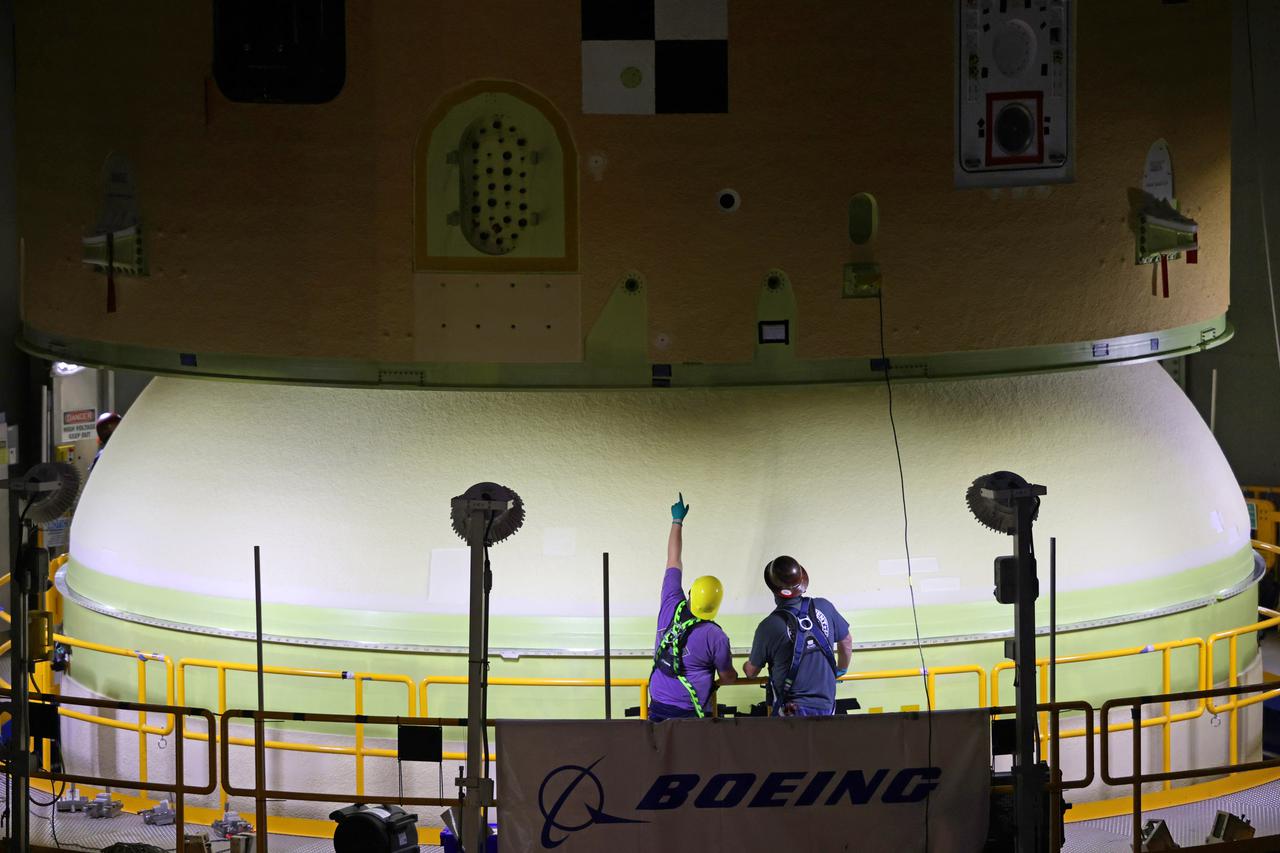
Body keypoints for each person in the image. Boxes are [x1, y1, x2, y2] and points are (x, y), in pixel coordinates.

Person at [647, 493, 738, 722]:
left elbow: (673, 559)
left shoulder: (670, 603)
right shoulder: (716, 636)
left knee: (659, 757)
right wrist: (718, 682)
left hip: (657, 705)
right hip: (692, 713)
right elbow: (728, 676)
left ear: (690, 594)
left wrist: (677, 521)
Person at [743, 555, 853, 717]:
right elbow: (846, 641)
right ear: (801, 583)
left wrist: (746, 665)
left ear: (773, 588)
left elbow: (751, 672)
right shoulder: (825, 607)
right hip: (827, 706)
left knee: (792, 743)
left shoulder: (768, 626)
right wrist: (841, 669)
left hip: (791, 711)